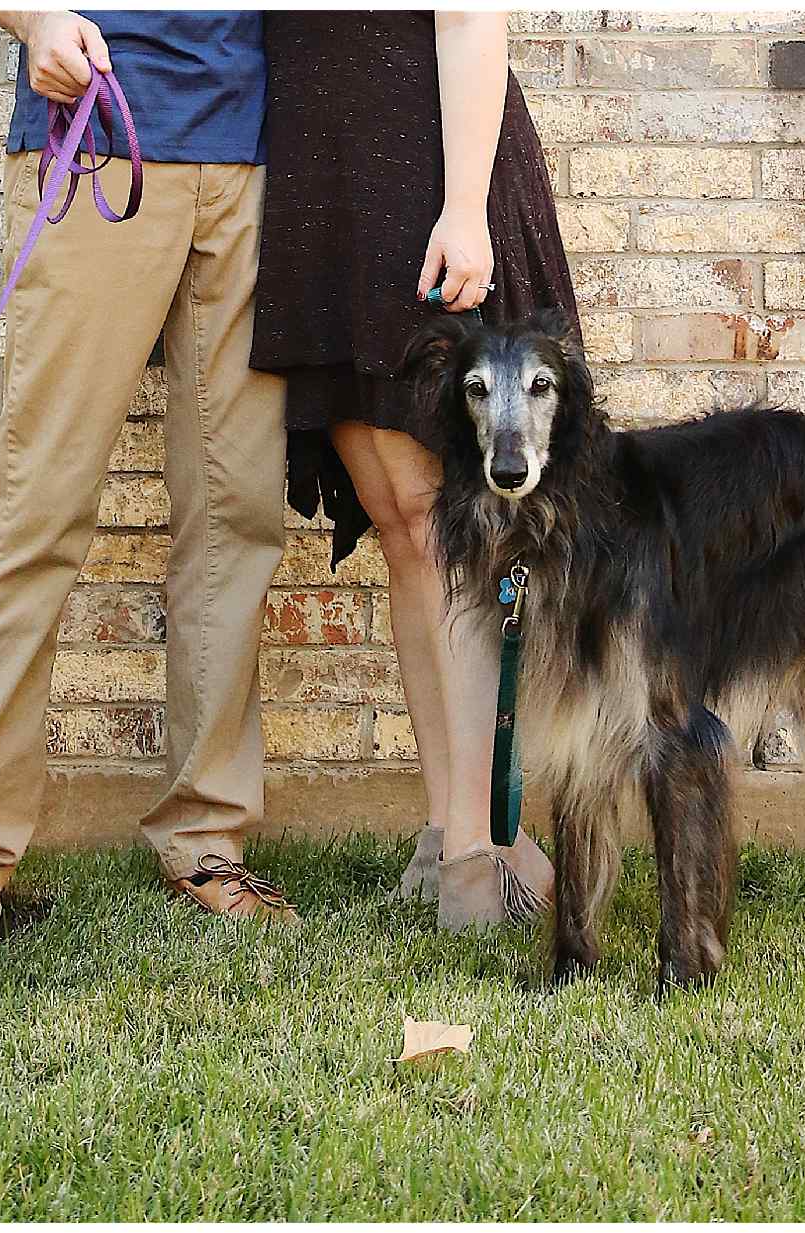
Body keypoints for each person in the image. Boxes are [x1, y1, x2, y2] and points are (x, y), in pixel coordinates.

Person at [0, 10, 297, 943]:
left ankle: (206, 837)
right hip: (99, 137)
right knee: (39, 505)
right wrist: (36, 17)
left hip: (253, 153)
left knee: (237, 511)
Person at [251, 12, 581, 929]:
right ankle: (448, 830)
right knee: (400, 520)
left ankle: (488, 845)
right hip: (327, 181)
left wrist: (467, 207)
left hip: (427, 175)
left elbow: (472, 16)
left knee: (449, 524)